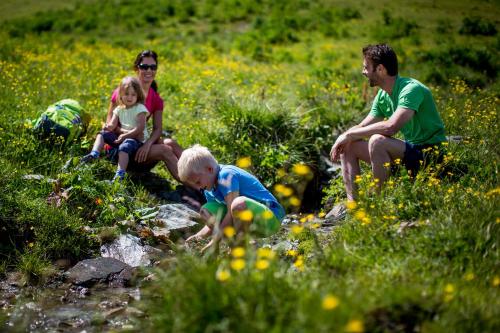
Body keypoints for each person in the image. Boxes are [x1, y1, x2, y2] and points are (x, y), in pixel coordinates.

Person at [328, 43, 446, 220]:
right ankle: (354, 207)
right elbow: (362, 127)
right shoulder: (383, 95)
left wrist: (350, 134)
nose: (363, 72)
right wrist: (344, 137)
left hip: (430, 155)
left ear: (380, 69)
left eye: (366, 67)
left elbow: (391, 126)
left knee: (377, 140)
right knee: (349, 145)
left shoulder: (411, 89)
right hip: (409, 153)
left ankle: (378, 205)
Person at [179, 145, 285, 252]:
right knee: (206, 210)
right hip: (248, 222)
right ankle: (236, 246)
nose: (198, 187)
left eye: (198, 182)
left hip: (270, 218)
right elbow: (217, 219)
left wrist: (214, 241)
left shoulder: (226, 175)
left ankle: (241, 246)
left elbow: (231, 211)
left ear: (210, 169)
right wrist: (199, 236)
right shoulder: (208, 189)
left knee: (238, 204)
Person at [106, 50, 183, 181]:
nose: (149, 70)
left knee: (170, 143)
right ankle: (197, 188)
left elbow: (158, 129)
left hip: (138, 144)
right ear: (137, 68)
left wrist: (147, 144)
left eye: (153, 67)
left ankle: (199, 172)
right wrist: (125, 132)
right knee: (165, 150)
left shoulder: (156, 98)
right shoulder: (123, 91)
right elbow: (109, 122)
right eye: (144, 66)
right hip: (119, 148)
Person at [81, 77, 148, 181]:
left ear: (138, 95)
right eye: (126, 94)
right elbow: (112, 124)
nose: (129, 97)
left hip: (136, 139)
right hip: (121, 137)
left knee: (124, 147)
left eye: (133, 94)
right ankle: (94, 154)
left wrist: (125, 136)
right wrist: (107, 127)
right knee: (102, 134)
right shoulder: (119, 109)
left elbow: (140, 127)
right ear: (120, 94)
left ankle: (120, 173)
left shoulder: (140, 108)